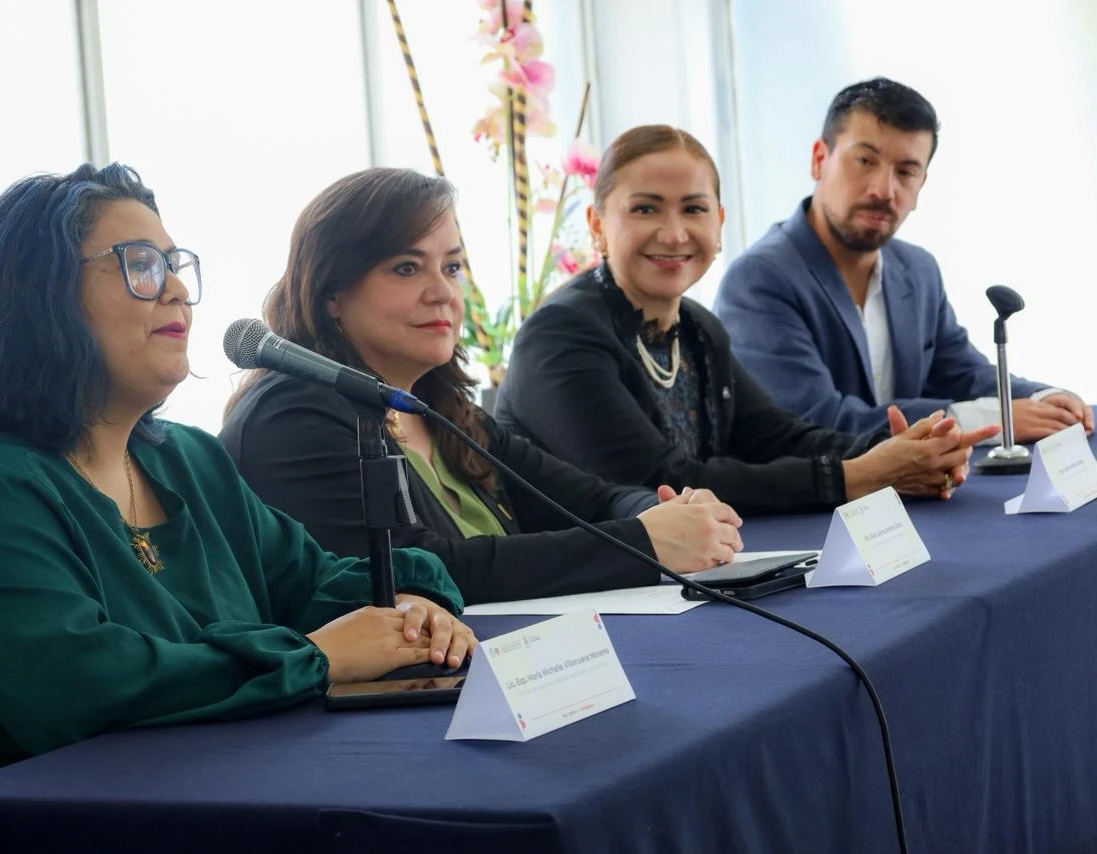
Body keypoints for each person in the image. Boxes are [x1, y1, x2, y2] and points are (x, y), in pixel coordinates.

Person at [0, 164, 472, 854]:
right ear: (41, 294)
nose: (178, 289)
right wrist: (315, 658)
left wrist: (407, 601)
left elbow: (311, 582)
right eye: (140, 265)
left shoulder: (187, 458)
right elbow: (86, 689)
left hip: (181, 791)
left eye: (176, 264)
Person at [221, 168, 745, 605]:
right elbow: (416, 571)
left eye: (451, 267)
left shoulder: (437, 408)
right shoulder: (290, 417)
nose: (443, 293)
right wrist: (645, 542)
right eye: (407, 268)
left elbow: (593, 498)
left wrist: (665, 514)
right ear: (331, 292)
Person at [494, 124, 997, 513]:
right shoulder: (559, 335)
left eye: (694, 209)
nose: (673, 234)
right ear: (597, 224)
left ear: (719, 222)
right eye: (645, 210)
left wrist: (898, 448)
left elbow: (776, 437)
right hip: (578, 600)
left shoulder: (696, 327)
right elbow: (664, 483)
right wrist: (861, 475)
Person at [713, 77, 1092, 438]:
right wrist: (993, 419)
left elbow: (962, 373)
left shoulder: (917, 269)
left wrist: (1042, 398)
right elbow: (815, 420)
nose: (884, 190)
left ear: (921, 184)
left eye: (906, 171)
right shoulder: (758, 280)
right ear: (819, 159)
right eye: (865, 161)